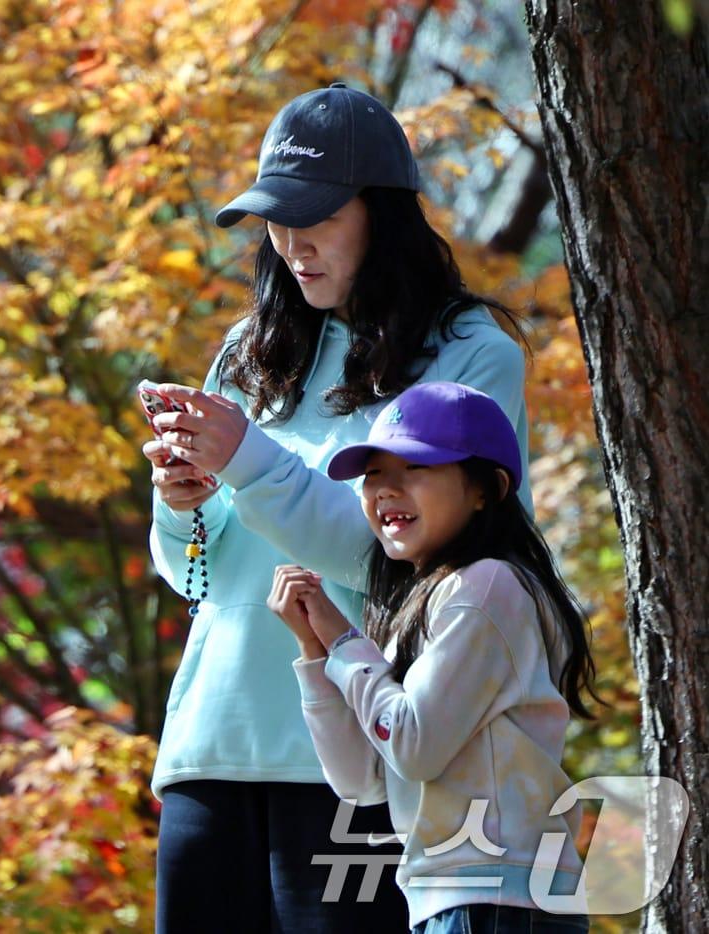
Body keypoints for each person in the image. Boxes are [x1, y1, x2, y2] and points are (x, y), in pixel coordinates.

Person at [143, 82, 533, 932]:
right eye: (275, 220)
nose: (290, 245)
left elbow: (407, 553)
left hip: (357, 754)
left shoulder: (469, 351)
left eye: (316, 216)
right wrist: (181, 506)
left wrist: (245, 457)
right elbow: (194, 576)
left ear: (382, 212)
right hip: (211, 748)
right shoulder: (253, 351)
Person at [267, 381, 597, 934]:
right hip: (459, 898)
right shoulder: (426, 604)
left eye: (415, 468)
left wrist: (343, 642)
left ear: (484, 489)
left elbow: (413, 746)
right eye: (374, 474)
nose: (386, 491)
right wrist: (315, 653)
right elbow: (362, 781)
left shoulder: (488, 587)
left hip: (496, 898)